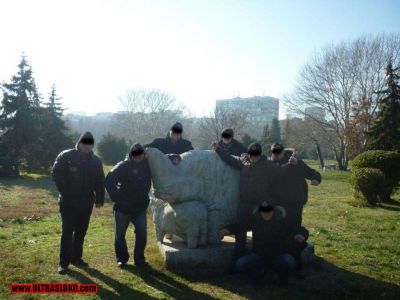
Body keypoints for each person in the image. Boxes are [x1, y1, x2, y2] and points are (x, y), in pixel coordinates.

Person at [212, 141, 283, 260]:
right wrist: (218, 149)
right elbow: (229, 159)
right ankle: (239, 258)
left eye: (256, 154)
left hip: (260, 205)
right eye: (252, 154)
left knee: (258, 233)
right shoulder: (244, 163)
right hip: (244, 204)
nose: (254, 156)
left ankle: (257, 259)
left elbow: (281, 175)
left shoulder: (268, 165)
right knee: (240, 232)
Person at [52, 131, 105, 274]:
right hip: (68, 202)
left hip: (86, 202)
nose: (87, 146)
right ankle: (63, 263)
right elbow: (56, 174)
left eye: (90, 143)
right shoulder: (66, 156)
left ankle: (76, 258)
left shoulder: (96, 161)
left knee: (81, 232)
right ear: (80, 143)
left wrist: (100, 198)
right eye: (85, 142)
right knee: (67, 231)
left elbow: (100, 181)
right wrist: (66, 193)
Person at [220, 202, 309, 287]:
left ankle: (275, 273)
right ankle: (263, 272)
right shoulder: (255, 221)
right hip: (259, 255)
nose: (266, 214)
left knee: (289, 262)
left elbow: (301, 229)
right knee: (240, 264)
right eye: (263, 211)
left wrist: (301, 235)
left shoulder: (282, 221)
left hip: (279, 255)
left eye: (269, 211)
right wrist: (228, 229)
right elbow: (240, 225)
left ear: (273, 210)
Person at [270, 143, 321, 270]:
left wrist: (316, 179)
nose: (276, 155)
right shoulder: (271, 164)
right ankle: (279, 261)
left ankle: (295, 262)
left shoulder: (295, 162)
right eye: (274, 152)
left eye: (278, 152)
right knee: (279, 231)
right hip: (278, 205)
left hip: (294, 204)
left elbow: (312, 173)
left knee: (294, 232)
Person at [105, 143, 152, 268]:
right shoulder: (123, 165)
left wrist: (175, 158)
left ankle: (139, 260)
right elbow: (109, 180)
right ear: (131, 154)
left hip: (140, 207)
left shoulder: (148, 166)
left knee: (142, 233)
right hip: (123, 208)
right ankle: (122, 259)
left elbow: (163, 157)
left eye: (141, 153)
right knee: (120, 235)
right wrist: (117, 198)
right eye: (135, 153)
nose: (138, 156)